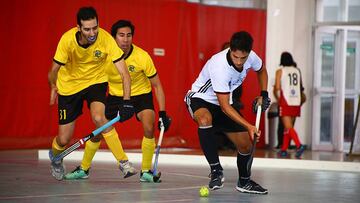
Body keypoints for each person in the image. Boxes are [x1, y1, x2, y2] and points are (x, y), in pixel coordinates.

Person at [64, 20, 171, 183]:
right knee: (99, 130)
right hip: (115, 97)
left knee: (149, 125)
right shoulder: (105, 58)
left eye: (129, 35)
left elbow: (157, 85)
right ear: (113, 38)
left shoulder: (142, 56)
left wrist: (163, 112)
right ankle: (84, 168)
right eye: (121, 35)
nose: (125, 39)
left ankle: (146, 171)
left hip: (141, 95)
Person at [47, 7, 136, 181]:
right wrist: (52, 85)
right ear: (78, 28)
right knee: (63, 139)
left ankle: (124, 163)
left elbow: (125, 73)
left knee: (99, 117)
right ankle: (56, 159)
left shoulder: (105, 39)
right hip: (69, 86)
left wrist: (127, 101)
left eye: (95, 27)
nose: (92, 32)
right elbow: (54, 70)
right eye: (87, 29)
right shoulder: (67, 40)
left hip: (95, 82)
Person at [184, 31, 270, 194]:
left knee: (246, 144)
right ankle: (216, 170)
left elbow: (262, 70)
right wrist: (250, 126)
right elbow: (224, 107)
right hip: (200, 99)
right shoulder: (219, 65)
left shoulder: (251, 57)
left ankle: (244, 182)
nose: (239, 62)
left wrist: (264, 94)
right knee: (204, 119)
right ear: (230, 49)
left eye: (242, 58)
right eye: (235, 57)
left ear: (249, 53)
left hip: (224, 103)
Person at [273, 52, 306, 158]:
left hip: (286, 100)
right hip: (296, 101)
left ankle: (299, 145)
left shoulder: (280, 71)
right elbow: (300, 87)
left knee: (287, 127)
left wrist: (278, 99)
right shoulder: (297, 71)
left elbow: (277, 87)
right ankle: (283, 149)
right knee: (288, 127)